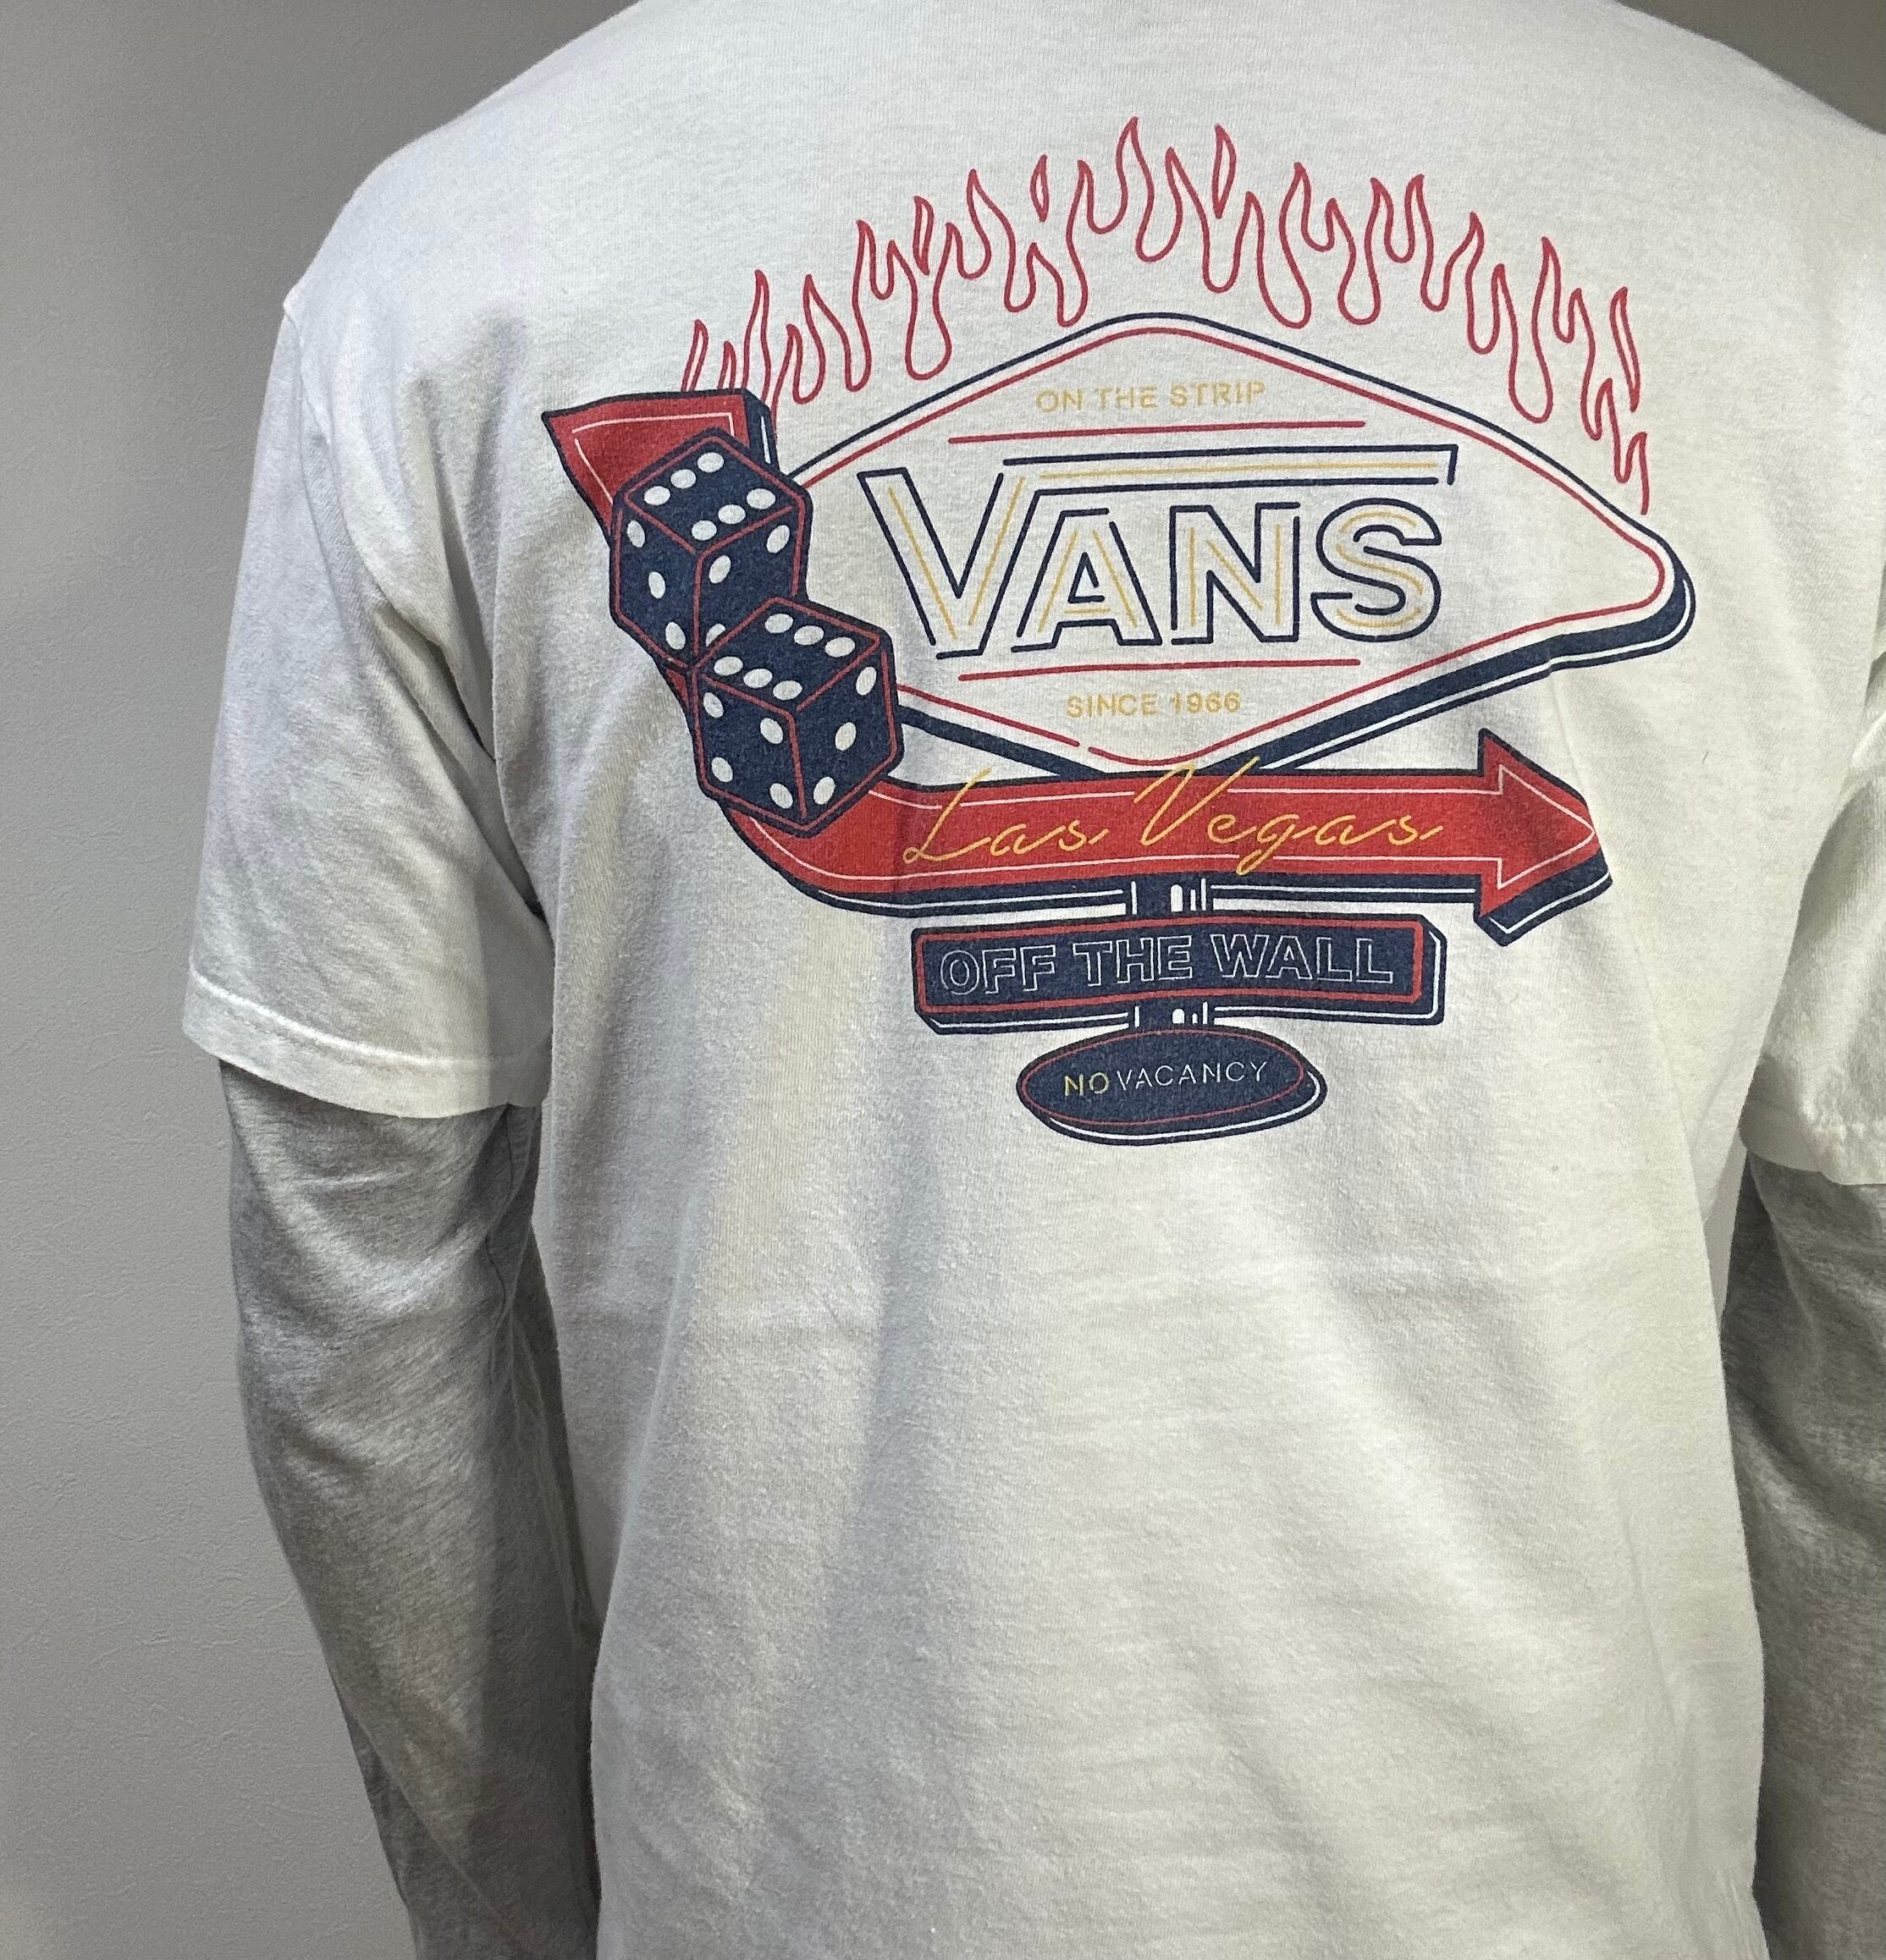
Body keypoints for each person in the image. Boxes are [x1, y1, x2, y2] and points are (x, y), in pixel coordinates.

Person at [184, 2, 1886, 1954]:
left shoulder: (455, 262)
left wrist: (530, 1923)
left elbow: (358, 1293)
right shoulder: (1823, 252)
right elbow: (1863, 1316)